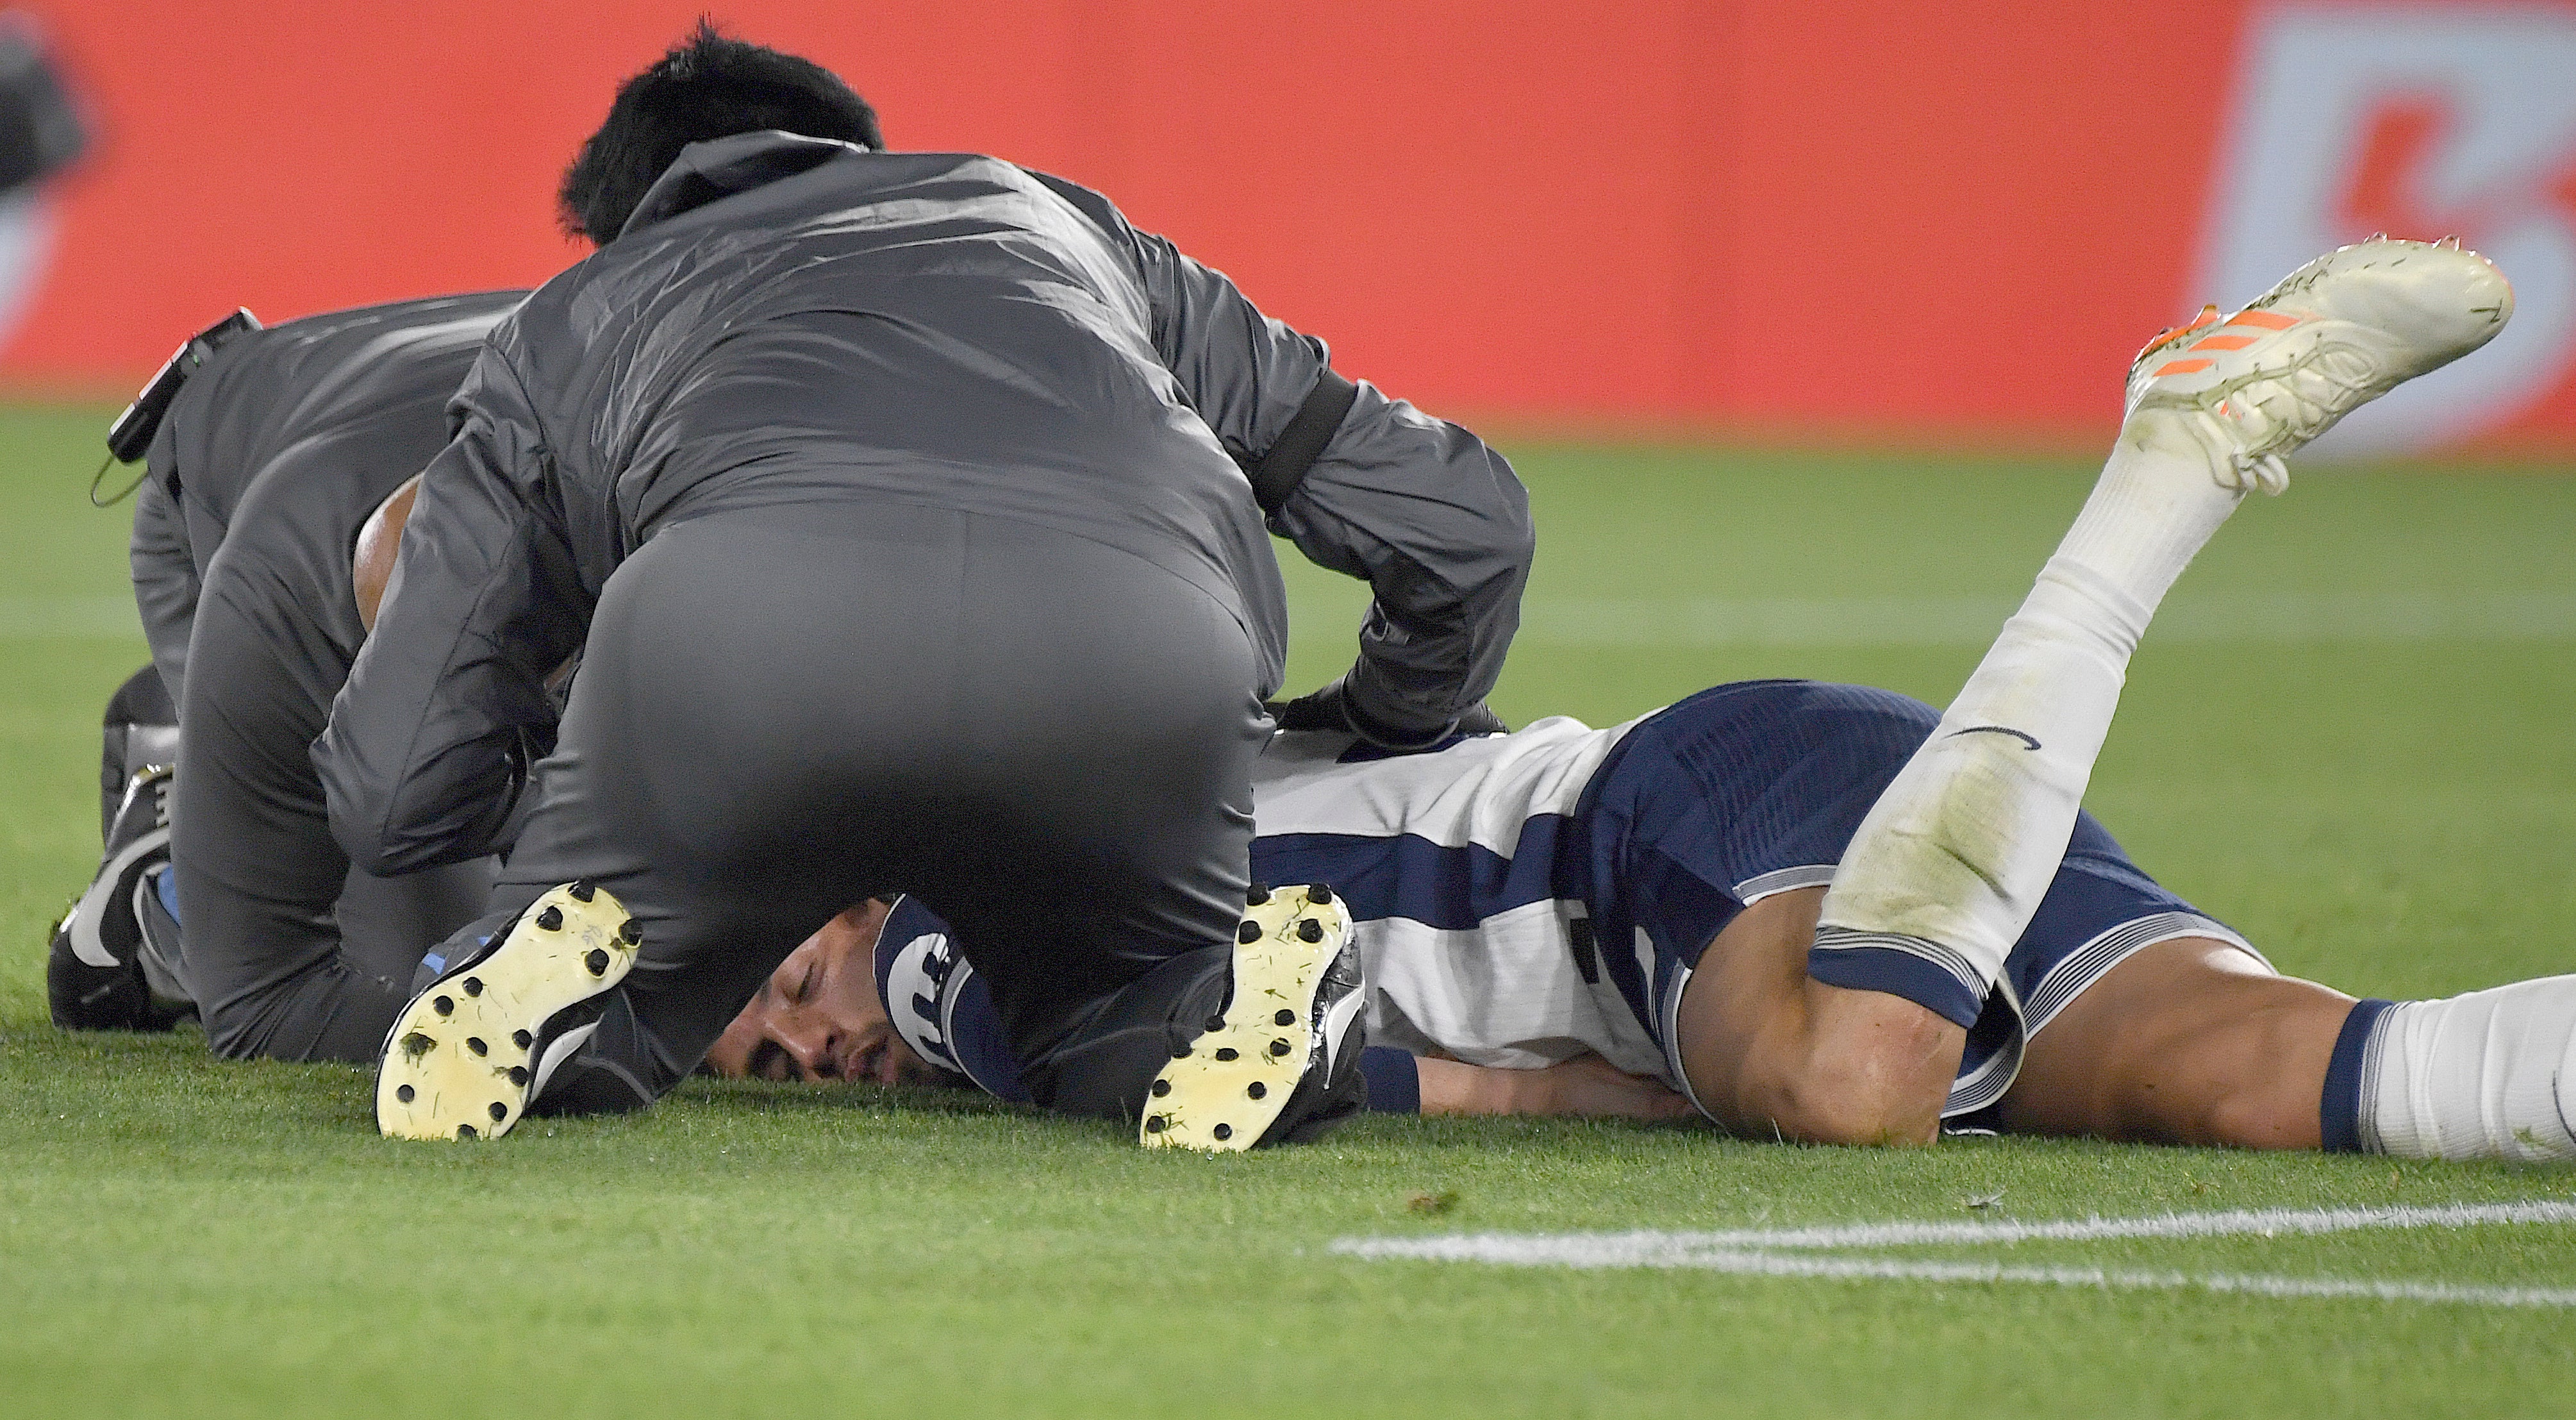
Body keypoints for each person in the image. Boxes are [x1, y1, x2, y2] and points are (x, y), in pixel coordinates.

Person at [719, 239, 2561, 1161]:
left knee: (1851, 1084)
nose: (821, 1034)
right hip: (1800, 797)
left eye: (789, 979)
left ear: (851, 877)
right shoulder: (1080, 806)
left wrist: (1545, 1099)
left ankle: (2164, 469)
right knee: (2278, 1078)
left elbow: (1192, 1059)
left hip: (1650, 851)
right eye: (776, 1063)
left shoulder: (958, 925)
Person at [316, 25, 1532, 1149]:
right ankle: (1215, 996)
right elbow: (1463, 526)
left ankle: (555, 989)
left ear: (626, 227)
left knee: (623, 983)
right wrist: (1387, 718)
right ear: (852, 153)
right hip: (1138, 653)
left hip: (732, 654)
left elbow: (393, 785)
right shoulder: (1065, 229)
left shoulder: (566, 322)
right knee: (1106, 1014)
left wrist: (557, 787)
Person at [50, 293, 526, 1058]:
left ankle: (213, 759)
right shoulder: (336, 579)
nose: (797, 1055)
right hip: (264, 529)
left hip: (342, 420)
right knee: (430, 991)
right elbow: (264, 1010)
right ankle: (167, 887)